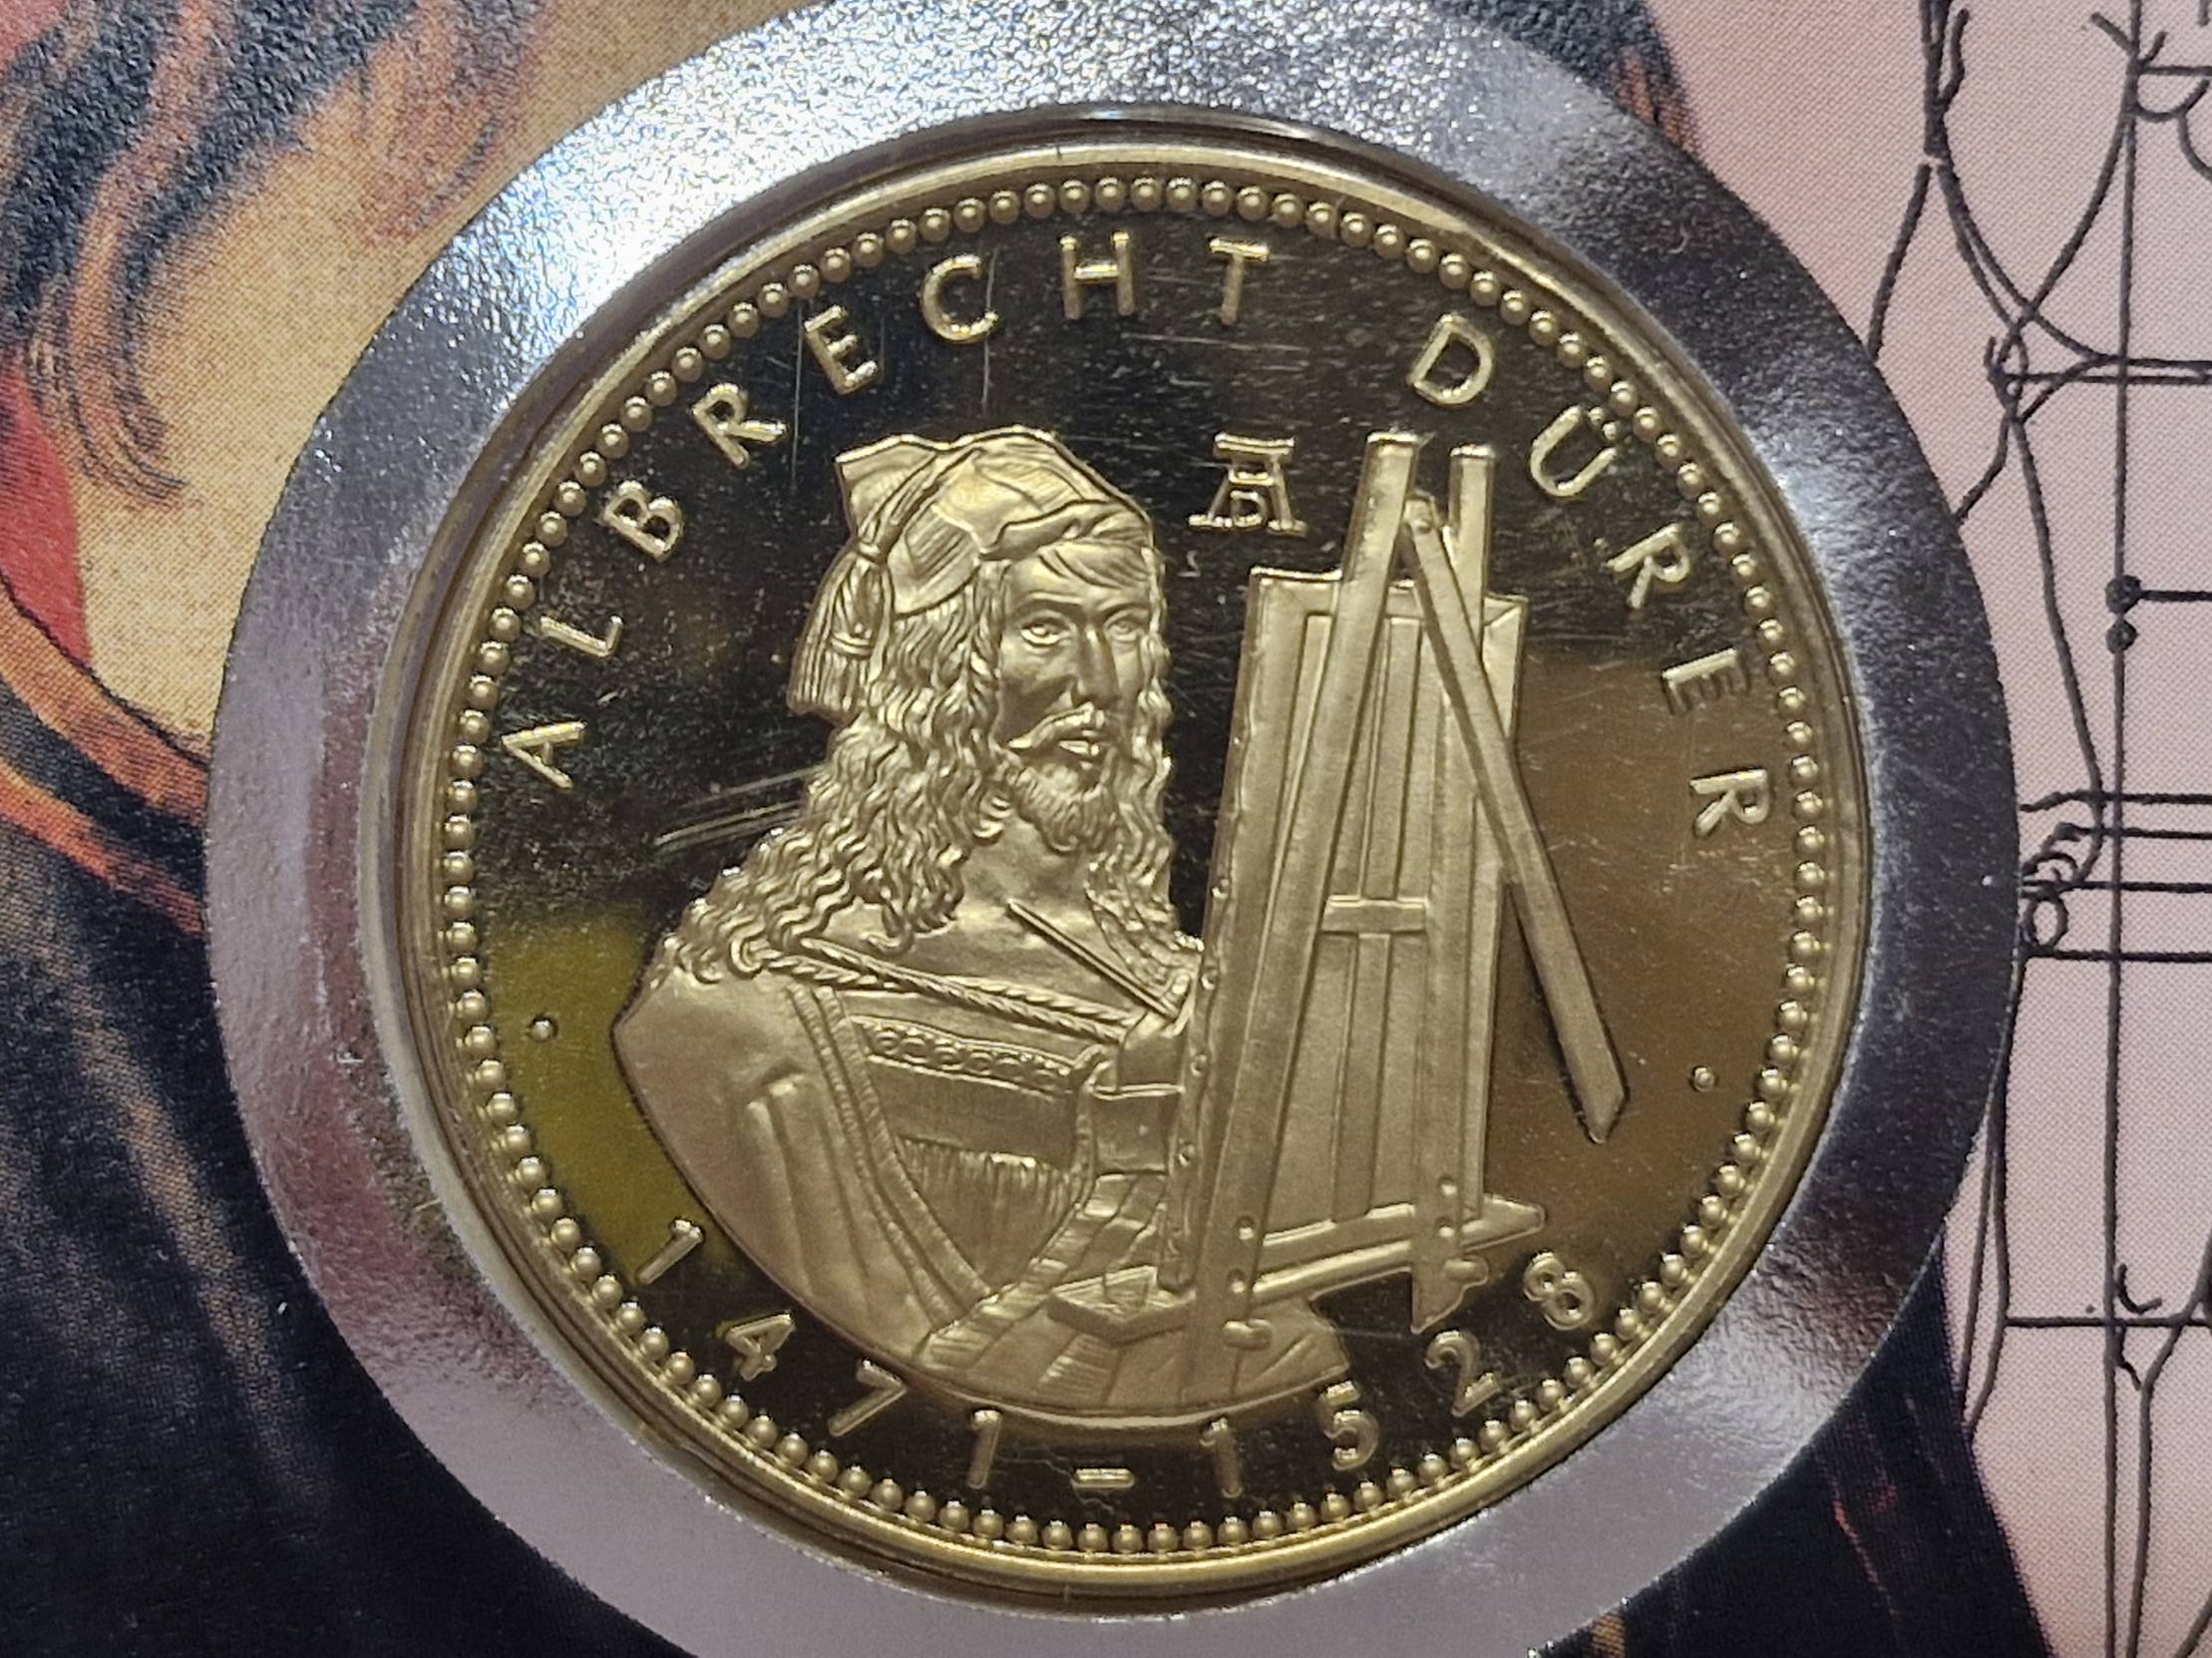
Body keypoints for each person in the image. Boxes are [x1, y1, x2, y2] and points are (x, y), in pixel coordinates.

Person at [618, 427, 1343, 1417]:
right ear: (932, 673)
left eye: (1125, 624)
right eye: (1044, 627)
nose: (1102, 680)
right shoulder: (742, 1013)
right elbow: (928, 1362)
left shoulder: (1189, 986)